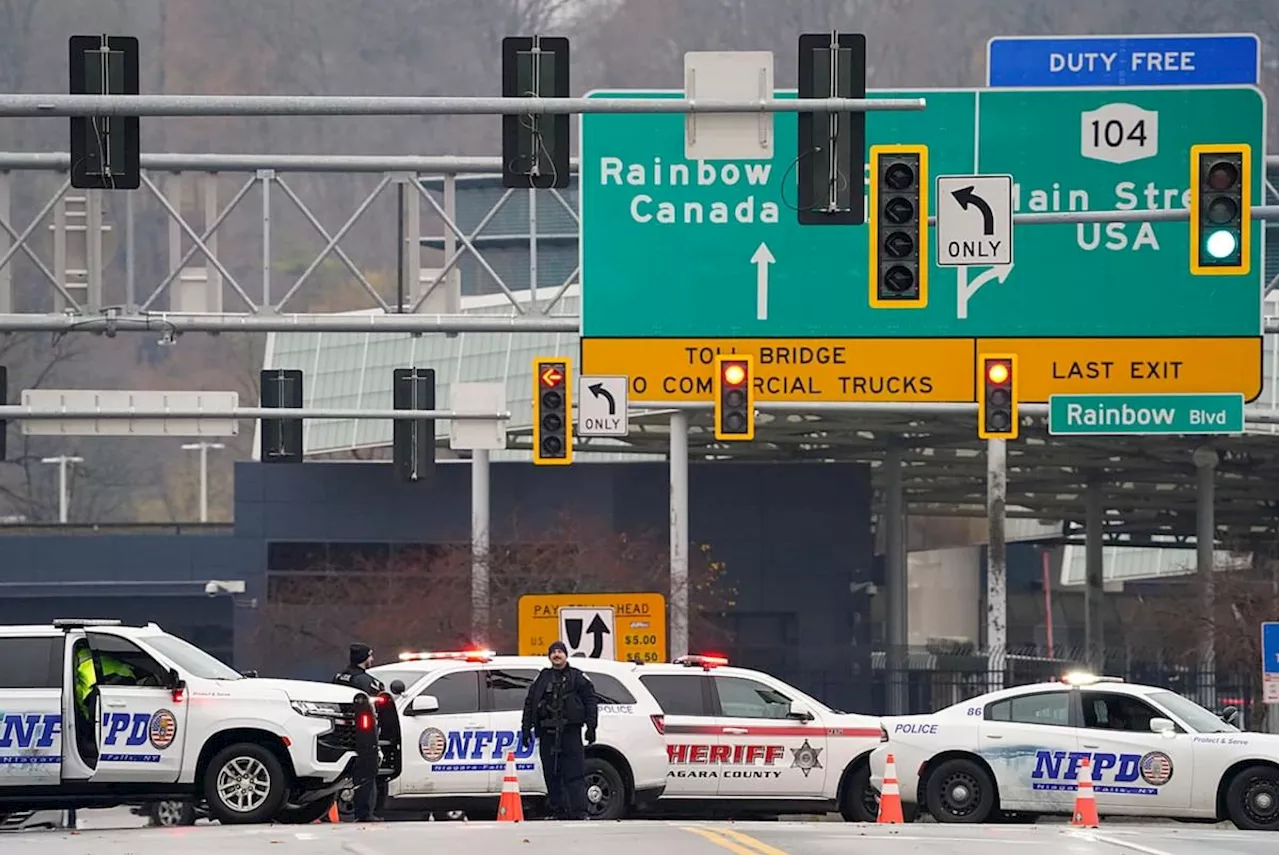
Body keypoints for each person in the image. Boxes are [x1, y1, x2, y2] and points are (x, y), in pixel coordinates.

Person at [520, 641, 599, 820]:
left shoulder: (577, 677)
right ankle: (558, 810)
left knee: (574, 773)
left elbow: (591, 701)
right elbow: (530, 703)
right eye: (553, 652)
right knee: (551, 773)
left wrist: (591, 726)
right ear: (549, 656)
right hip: (547, 732)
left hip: (570, 732)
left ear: (565, 655)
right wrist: (526, 729)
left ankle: (579, 812)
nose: (557, 655)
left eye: (560, 652)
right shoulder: (542, 678)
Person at [332, 643, 386, 822]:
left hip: (340, 731)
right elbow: (379, 700)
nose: (372, 659)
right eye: (370, 656)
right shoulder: (365, 681)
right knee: (367, 772)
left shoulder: (339, 676)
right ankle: (365, 813)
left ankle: (330, 812)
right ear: (364, 658)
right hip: (364, 733)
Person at [73, 645, 139, 760]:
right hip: (123, 683)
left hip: (110, 687)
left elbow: (76, 693)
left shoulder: (77, 656)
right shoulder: (98, 648)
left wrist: (85, 716)